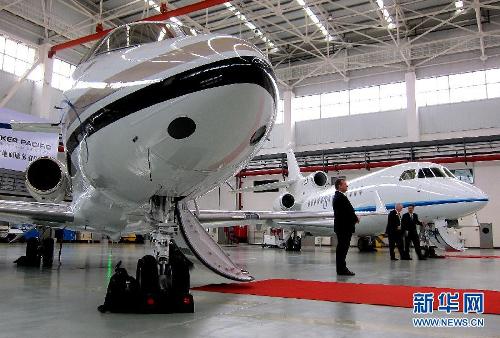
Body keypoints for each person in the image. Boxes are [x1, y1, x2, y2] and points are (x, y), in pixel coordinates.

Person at [333, 178, 359, 276]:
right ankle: (341, 269)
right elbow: (345, 213)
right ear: (339, 186)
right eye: (345, 184)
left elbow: (347, 212)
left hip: (343, 227)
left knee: (342, 248)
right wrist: (355, 219)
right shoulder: (339, 197)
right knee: (342, 249)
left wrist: (354, 218)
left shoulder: (340, 197)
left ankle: (341, 268)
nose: (347, 186)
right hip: (343, 228)